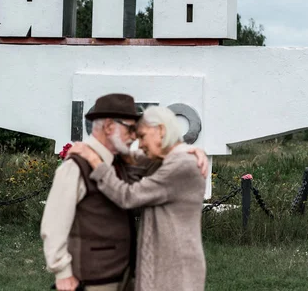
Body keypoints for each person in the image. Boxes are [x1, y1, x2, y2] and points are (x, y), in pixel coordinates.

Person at [40, 94, 208, 291]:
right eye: (130, 129)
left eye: (140, 133)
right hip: (93, 280)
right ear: (110, 127)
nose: (135, 137)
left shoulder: (126, 163)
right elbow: (54, 224)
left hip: (141, 275)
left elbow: (137, 185)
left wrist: (190, 151)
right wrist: (62, 273)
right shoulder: (77, 165)